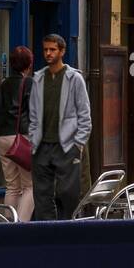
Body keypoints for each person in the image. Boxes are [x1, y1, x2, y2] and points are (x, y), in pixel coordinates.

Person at [27, 34, 92, 220]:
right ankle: (47, 235)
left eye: (53, 50)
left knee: (68, 194)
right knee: (42, 196)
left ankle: (66, 230)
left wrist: (77, 144)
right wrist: (33, 141)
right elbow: (33, 114)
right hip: (41, 147)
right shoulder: (38, 78)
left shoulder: (74, 79)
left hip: (66, 146)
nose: (48, 53)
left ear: (62, 51)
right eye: (46, 49)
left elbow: (85, 116)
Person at [0, 45, 35, 221]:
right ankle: (21, 226)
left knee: (12, 186)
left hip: (2, 137)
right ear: (29, 64)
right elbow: (34, 113)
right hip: (21, 138)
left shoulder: (3, 84)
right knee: (30, 186)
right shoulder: (29, 83)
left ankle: (8, 222)